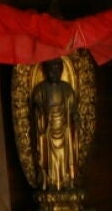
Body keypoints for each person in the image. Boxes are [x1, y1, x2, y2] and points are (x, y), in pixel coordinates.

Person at [28, 58, 80, 191]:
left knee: (66, 155)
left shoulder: (67, 89)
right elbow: (36, 109)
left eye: (57, 69)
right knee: (48, 157)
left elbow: (73, 109)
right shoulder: (40, 90)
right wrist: (39, 111)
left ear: (61, 71)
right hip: (47, 130)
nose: (54, 73)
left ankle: (67, 180)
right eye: (51, 70)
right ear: (46, 71)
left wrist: (75, 117)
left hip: (64, 128)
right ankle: (49, 181)